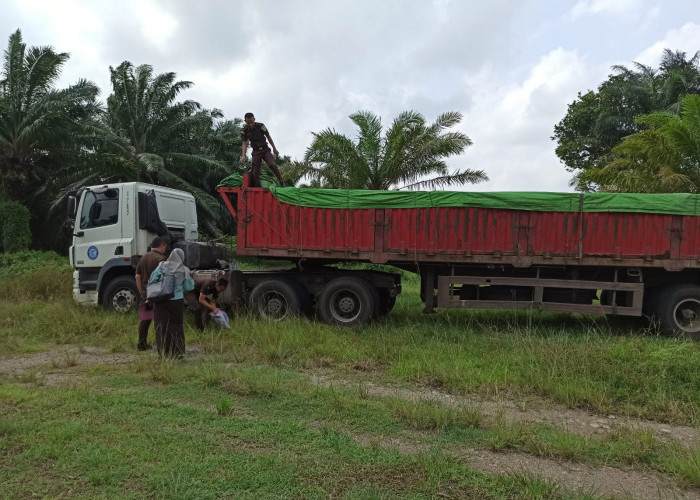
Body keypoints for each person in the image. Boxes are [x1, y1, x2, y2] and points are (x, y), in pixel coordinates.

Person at [148, 248, 195, 358]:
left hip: (161, 301)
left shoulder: (162, 266)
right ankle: (177, 352)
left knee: (161, 326)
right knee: (176, 326)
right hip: (177, 302)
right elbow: (189, 287)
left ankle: (164, 353)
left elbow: (152, 280)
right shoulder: (184, 269)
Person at [134, 236, 167, 351]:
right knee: (160, 319)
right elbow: (165, 278)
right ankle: (161, 345)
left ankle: (141, 344)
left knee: (145, 319)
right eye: (165, 246)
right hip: (158, 294)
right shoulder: (162, 259)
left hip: (145, 293)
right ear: (161, 245)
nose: (165, 248)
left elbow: (137, 276)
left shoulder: (143, 258)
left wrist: (142, 292)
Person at [240, 112, 285, 187]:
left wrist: (274, 148)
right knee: (255, 172)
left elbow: (268, 137)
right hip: (256, 152)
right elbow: (244, 143)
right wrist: (243, 156)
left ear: (254, 119)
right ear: (245, 121)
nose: (250, 124)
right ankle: (258, 188)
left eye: (251, 122)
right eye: (248, 123)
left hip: (265, 150)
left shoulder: (261, 126)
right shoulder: (244, 130)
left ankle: (281, 182)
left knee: (272, 165)